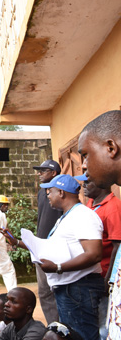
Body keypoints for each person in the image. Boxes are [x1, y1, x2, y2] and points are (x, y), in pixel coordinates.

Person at [1, 174, 103, 340]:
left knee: (82, 335)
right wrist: (17, 242)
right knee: (72, 335)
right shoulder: (65, 217)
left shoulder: (83, 216)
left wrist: (58, 268)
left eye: (50, 191)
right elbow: (46, 247)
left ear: (61, 193)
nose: (47, 195)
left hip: (79, 288)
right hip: (70, 289)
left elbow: (94, 254)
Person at [79, 110, 121, 339]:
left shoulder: (114, 207)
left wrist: (107, 280)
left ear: (111, 148)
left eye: (85, 155)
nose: (84, 166)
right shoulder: (90, 206)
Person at [32, 159, 63, 323]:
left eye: (43, 171)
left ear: (53, 173)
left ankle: (64, 326)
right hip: (40, 248)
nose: (39, 174)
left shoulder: (61, 192)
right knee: (43, 291)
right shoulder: (41, 193)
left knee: (57, 289)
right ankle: (53, 325)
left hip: (55, 250)